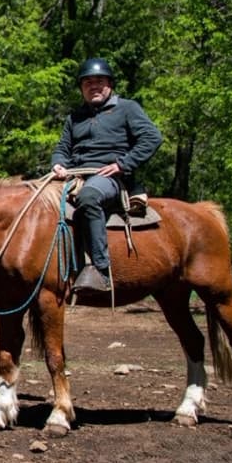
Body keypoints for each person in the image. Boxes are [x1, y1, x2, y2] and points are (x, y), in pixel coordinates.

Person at [51, 58, 163, 293]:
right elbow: (62, 148)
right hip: (74, 176)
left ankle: (100, 271)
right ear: (81, 88)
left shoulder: (127, 108)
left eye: (99, 81)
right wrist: (59, 164)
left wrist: (123, 164)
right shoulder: (75, 117)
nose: (93, 86)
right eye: (88, 82)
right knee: (34, 201)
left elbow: (152, 138)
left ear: (110, 84)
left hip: (111, 178)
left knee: (89, 197)